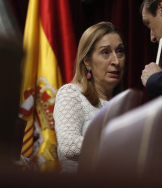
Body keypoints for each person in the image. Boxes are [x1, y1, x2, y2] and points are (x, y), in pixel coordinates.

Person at [53, 22, 126, 173]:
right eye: (105, 52)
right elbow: (69, 146)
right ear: (87, 62)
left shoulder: (124, 105)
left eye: (120, 51)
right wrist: (120, 144)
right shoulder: (71, 93)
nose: (116, 61)